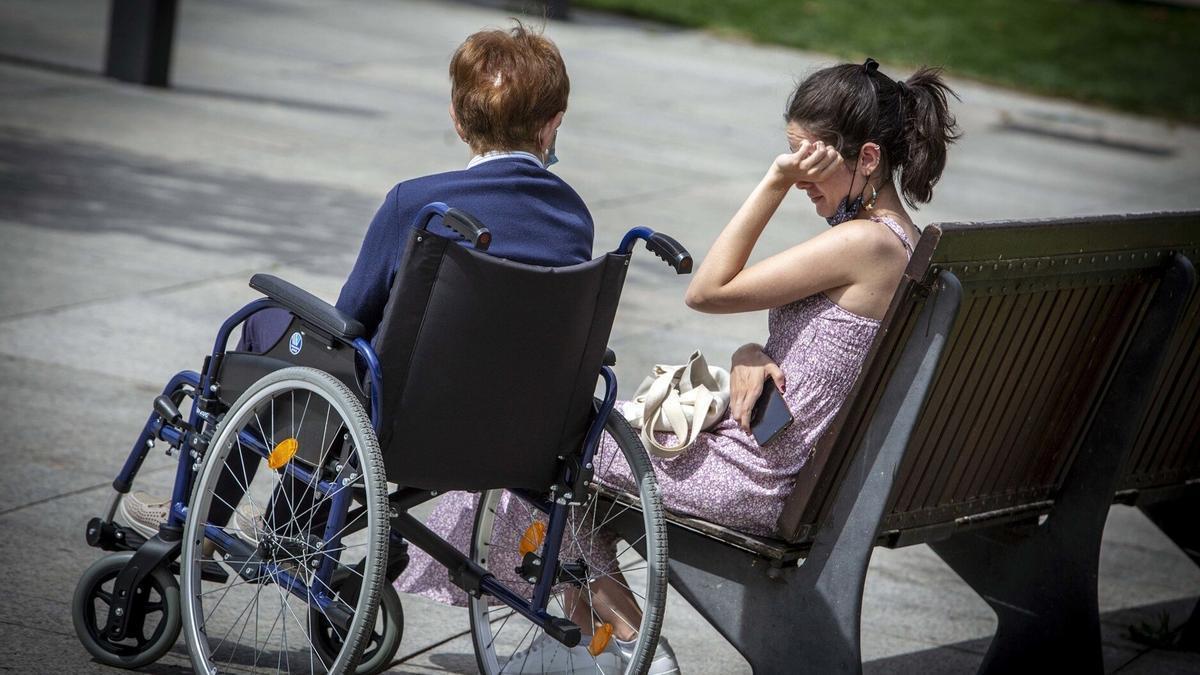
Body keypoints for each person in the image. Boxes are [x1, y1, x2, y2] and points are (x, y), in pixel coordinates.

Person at [401, 57, 959, 674]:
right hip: (781, 465)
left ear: (868, 158)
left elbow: (707, 290)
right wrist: (752, 354)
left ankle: (630, 644)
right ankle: (584, 645)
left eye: (806, 159)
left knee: (533, 440)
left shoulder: (867, 244)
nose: (800, 176)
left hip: (756, 478)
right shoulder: (901, 244)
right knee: (568, 437)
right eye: (791, 158)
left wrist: (773, 182)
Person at [118, 18, 593, 583]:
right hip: (518, 437)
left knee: (272, 331)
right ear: (553, 123)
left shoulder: (418, 204)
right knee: (344, 371)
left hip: (399, 428)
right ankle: (285, 526)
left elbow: (350, 318)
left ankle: (208, 520)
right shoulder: (573, 219)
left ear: (457, 118)